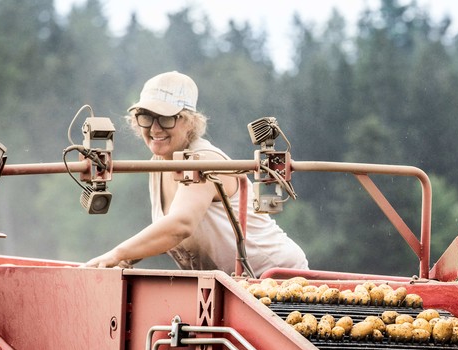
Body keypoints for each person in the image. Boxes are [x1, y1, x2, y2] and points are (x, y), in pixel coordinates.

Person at [84, 71, 308, 276]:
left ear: (189, 120)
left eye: (165, 118)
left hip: (276, 278)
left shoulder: (204, 159)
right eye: (145, 117)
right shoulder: (159, 163)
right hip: (231, 285)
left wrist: (118, 253)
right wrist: (126, 257)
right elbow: (173, 234)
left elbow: (181, 225)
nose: (154, 128)